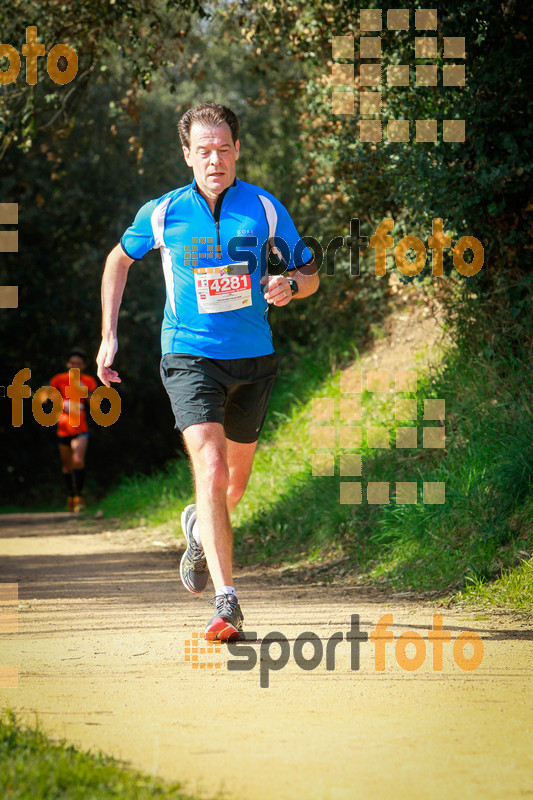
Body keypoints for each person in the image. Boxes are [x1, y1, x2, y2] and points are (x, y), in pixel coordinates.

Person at [97, 103, 319, 640]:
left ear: (237, 149)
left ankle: (198, 529)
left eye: (223, 148)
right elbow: (118, 260)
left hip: (253, 359)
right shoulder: (163, 211)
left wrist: (292, 286)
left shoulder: (265, 209)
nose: (214, 159)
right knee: (212, 470)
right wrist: (109, 336)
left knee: (233, 486)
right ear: (187, 155)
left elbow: (309, 271)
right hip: (188, 355)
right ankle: (227, 602)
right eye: (204, 150)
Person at [49, 348, 98, 512]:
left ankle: (79, 497)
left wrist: (84, 391)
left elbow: (94, 403)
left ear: (83, 365)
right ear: (68, 364)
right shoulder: (58, 380)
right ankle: (70, 495)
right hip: (62, 428)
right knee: (67, 466)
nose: (75, 366)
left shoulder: (88, 381)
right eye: (72, 363)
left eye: (79, 364)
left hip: (80, 428)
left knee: (78, 461)